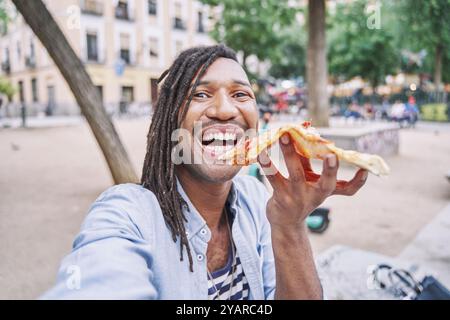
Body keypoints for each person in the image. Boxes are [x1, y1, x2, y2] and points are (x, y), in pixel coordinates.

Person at [42, 45, 368, 300]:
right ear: (170, 118)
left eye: (241, 94)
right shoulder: (126, 214)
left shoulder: (258, 201)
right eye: (200, 94)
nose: (225, 110)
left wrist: (291, 225)